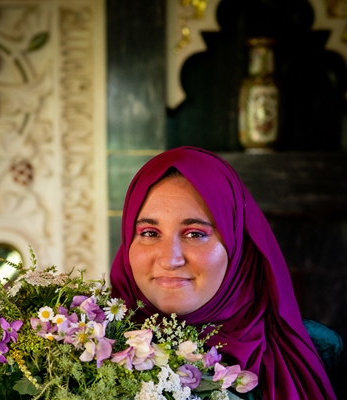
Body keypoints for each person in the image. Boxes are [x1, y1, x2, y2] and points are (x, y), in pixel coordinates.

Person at [110, 146, 336, 399]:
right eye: (150, 233)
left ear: (237, 244)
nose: (170, 259)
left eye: (195, 234)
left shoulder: (318, 349)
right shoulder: (86, 345)